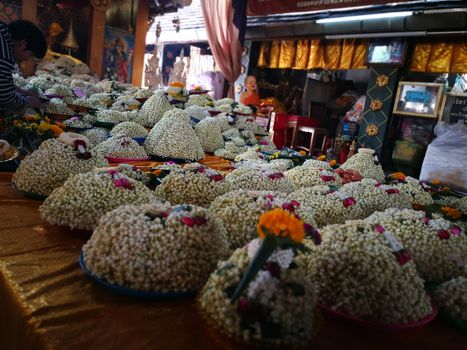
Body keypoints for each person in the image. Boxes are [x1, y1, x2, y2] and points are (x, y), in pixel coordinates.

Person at [0, 20, 47, 112]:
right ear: (23, 43)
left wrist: (23, 92)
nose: (26, 60)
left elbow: (2, 84)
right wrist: (28, 102)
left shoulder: (3, 33)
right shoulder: (4, 54)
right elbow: (5, 96)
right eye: (30, 55)